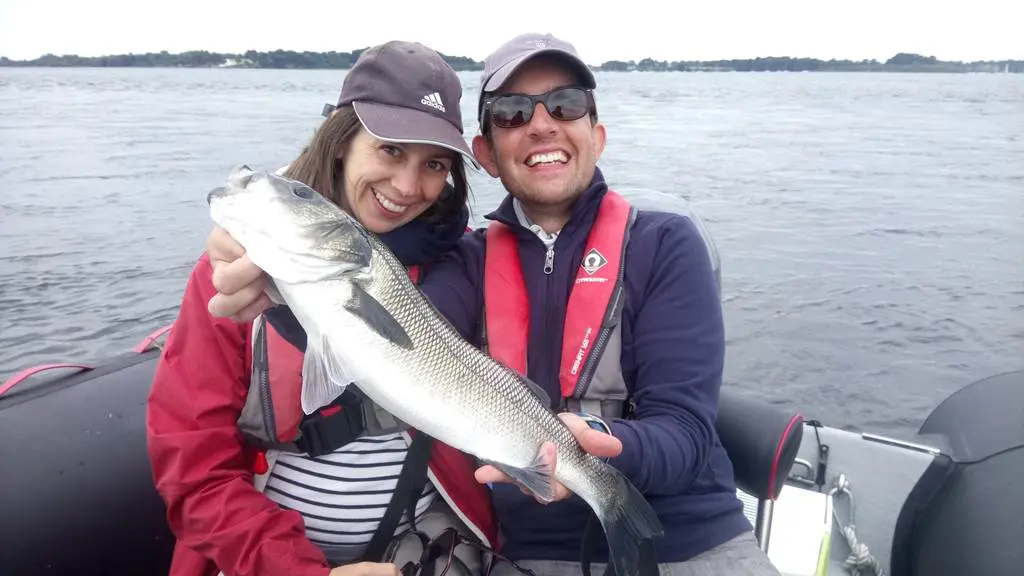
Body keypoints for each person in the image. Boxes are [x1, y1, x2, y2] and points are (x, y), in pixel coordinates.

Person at [202, 33, 782, 576]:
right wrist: (274, 283)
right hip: (532, 551)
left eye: (566, 103)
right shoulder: (466, 261)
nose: (540, 125)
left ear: (597, 134)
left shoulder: (665, 243)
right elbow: (392, 338)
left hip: (691, 536)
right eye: (511, 112)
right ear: (484, 151)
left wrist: (609, 449)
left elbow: (685, 433)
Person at [146, 40, 499, 576]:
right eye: (389, 150)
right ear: (341, 141)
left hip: (420, 548)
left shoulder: (466, 263)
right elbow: (194, 468)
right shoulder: (236, 274)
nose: (407, 186)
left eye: (434, 164)